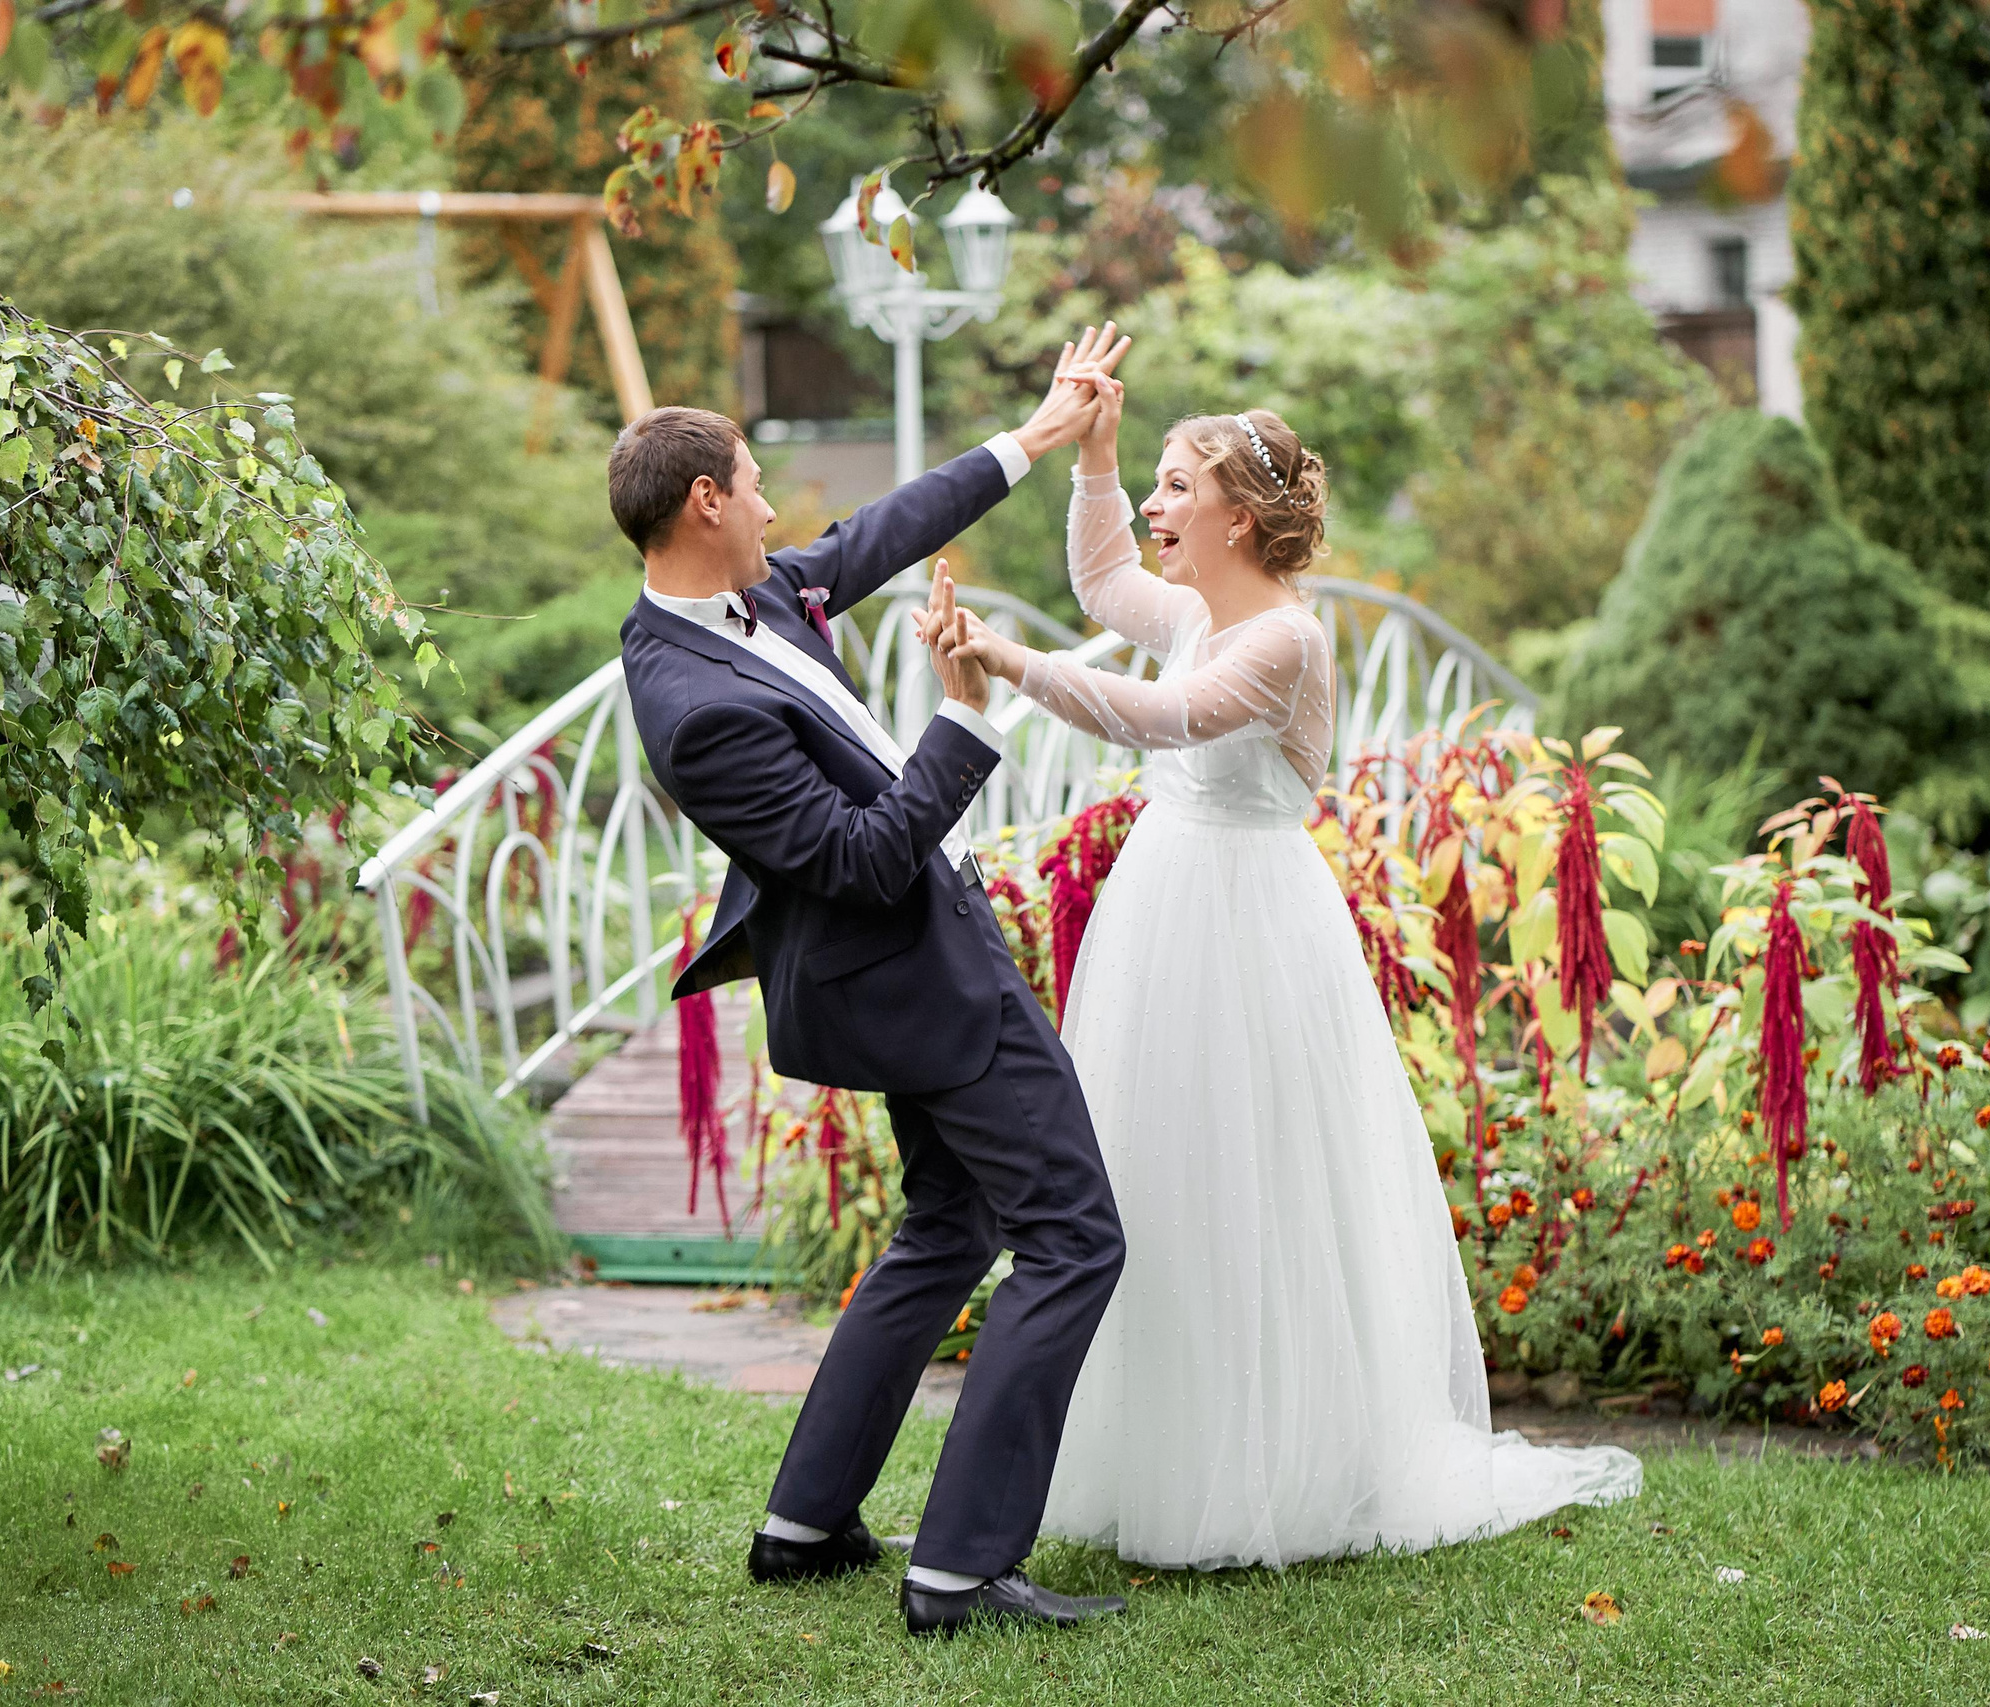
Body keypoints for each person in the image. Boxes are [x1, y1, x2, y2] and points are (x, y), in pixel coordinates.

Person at [929, 372, 1643, 1569]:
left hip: (1250, 922)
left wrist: (1004, 659)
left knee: (1252, 1176)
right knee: (1155, 1172)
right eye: (1154, 485)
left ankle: (1279, 1466)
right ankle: (1160, 1453)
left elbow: (1164, 720)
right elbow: (1104, 584)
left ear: (1236, 522)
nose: (1156, 505)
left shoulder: (1280, 638)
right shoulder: (1202, 612)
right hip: (1165, 901)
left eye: (1174, 486)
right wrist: (1095, 456)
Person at [612, 326, 1141, 1636]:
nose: (777, 506)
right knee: (1073, 1233)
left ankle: (805, 1522)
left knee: (947, 1226)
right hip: (917, 975)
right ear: (706, 501)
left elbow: (883, 533)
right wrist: (964, 717)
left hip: (891, 972)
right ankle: (961, 1567)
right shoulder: (691, 702)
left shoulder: (760, 595)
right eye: (755, 478)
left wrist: (1039, 433)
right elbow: (857, 857)